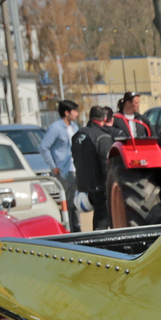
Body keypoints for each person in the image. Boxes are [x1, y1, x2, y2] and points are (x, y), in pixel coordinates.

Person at [68, 106, 118, 231]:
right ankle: (101, 246)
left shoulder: (78, 135)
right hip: (100, 185)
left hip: (83, 185)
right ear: (105, 118)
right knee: (102, 219)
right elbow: (107, 163)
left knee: (95, 217)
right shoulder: (102, 136)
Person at [39, 99, 80, 232]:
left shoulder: (74, 127)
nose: (77, 114)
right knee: (66, 202)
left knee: (75, 201)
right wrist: (53, 166)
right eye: (74, 111)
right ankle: (67, 229)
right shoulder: (55, 128)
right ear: (67, 112)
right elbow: (44, 147)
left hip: (75, 169)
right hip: (63, 170)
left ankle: (76, 228)